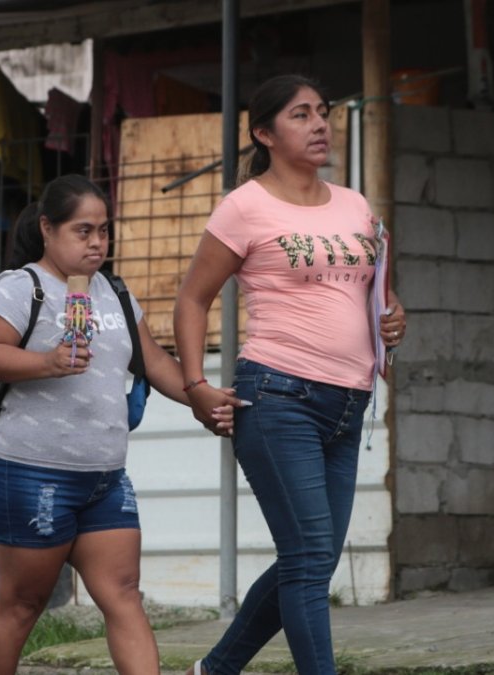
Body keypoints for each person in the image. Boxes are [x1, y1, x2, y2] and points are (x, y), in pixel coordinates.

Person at [173, 74, 407, 675]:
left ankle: (214, 671)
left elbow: (374, 292)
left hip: (349, 403)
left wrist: (393, 317)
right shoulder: (245, 205)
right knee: (307, 557)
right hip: (279, 396)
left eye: (322, 112)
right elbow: (193, 298)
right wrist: (195, 385)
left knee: (313, 560)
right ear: (264, 133)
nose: (320, 124)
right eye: (301, 115)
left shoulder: (355, 205)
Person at [0, 175, 238, 675]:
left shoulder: (113, 291)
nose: (96, 243)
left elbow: (154, 362)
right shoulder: (22, 287)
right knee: (22, 604)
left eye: (104, 231)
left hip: (105, 479)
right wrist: (47, 362)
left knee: (123, 594)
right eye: (83, 231)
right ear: (47, 229)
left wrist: (201, 396)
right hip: (31, 473)